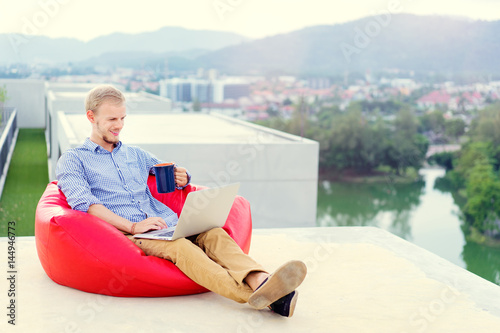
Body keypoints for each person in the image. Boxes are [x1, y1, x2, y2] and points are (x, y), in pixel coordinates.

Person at [56, 84, 307, 317]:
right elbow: (85, 204)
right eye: (112, 119)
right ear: (91, 117)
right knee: (182, 247)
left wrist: (183, 177)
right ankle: (263, 296)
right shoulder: (74, 160)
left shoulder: (134, 154)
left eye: (122, 118)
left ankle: (263, 280)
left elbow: (167, 170)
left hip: (168, 223)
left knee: (214, 233)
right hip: (132, 232)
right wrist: (133, 227)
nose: (119, 125)